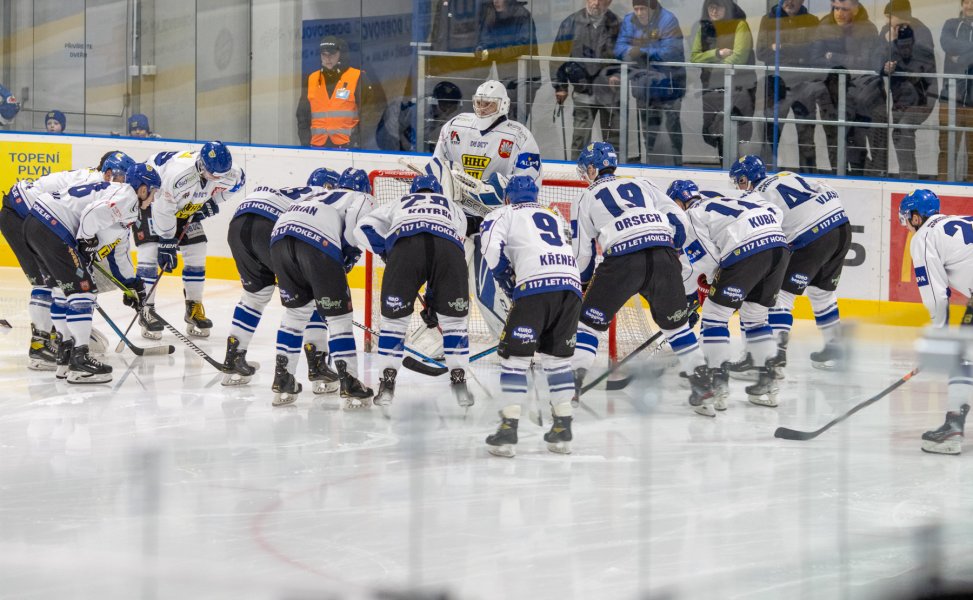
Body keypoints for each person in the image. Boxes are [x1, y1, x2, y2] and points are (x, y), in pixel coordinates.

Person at [570, 142, 712, 415]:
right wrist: (674, 246)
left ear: (592, 168)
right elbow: (677, 217)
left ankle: (571, 386)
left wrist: (584, 284)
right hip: (663, 255)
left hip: (623, 259)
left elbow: (582, 253)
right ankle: (703, 384)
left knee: (588, 326)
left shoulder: (585, 198)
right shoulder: (643, 184)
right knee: (678, 327)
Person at [22, 163, 160, 383]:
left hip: (34, 223)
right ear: (143, 189)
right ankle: (80, 361)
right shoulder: (128, 198)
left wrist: (132, 285)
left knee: (61, 291)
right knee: (84, 293)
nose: (154, 199)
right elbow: (91, 214)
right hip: (53, 227)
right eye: (153, 192)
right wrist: (86, 241)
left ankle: (65, 355)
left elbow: (119, 253)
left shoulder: (119, 199)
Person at [426, 80, 542, 338]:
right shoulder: (456, 125)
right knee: (441, 284)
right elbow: (435, 166)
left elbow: (526, 188)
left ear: (503, 105)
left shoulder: (519, 136)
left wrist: (492, 192)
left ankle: (513, 340)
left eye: (488, 104)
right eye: (478, 102)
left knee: (486, 291)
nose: (482, 108)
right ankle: (442, 343)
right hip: (456, 220)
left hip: (493, 225)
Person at [0, 152, 135, 370]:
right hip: (22, 214)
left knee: (57, 281)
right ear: (109, 174)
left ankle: (54, 338)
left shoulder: (100, 183)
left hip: (26, 216)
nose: (125, 184)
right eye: (122, 178)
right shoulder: (97, 183)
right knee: (49, 282)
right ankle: (43, 344)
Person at [481, 176, 582, 457]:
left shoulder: (502, 213)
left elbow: (490, 249)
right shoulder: (554, 214)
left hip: (535, 288)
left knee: (515, 360)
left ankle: (509, 428)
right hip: (571, 289)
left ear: (507, 197)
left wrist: (504, 278)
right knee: (557, 361)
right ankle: (563, 427)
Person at [354, 173, 473, 409]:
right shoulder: (452, 207)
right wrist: (434, 302)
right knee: (454, 323)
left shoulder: (399, 202)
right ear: (438, 192)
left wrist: (388, 251)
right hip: (448, 250)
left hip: (406, 249)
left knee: (393, 324)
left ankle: (387, 384)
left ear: (413, 192)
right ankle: (460, 382)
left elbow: (362, 228)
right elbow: (444, 247)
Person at [726, 156, 851, 379]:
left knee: (781, 296)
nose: (739, 187)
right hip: (841, 226)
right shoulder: (787, 175)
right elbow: (827, 190)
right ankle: (836, 349)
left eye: (741, 181)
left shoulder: (756, 196)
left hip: (813, 236)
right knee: (822, 293)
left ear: (748, 179)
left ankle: (773, 359)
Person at [671, 179, 791, 411]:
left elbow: (706, 261)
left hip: (747, 249)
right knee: (755, 317)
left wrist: (686, 300)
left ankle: (717, 382)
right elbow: (775, 210)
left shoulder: (692, 215)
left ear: (679, 201)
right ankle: (768, 382)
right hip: (779, 246)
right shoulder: (727, 196)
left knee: (714, 316)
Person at [221, 168, 340, 390]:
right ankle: (317, 363)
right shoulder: (325, 197)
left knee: (255, 296)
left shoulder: (291, 191)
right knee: (311, 293)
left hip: (238, 224)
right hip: (269, 226)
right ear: (329, 187)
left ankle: (233, 357)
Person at [267, 167, 375, 407]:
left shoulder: (314, 196)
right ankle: (349, 381)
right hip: (317, 243)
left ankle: (282, 379)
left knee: (295, 314)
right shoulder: (361, 197)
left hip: (279, 239)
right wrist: (350, 250)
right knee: (339, 319)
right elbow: (355, 225)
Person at [134, 141, 245, 339]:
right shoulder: (178, 175)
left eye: (221, 174)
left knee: (197, 249)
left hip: (184, 205)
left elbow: (237, 184)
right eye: (213, 174)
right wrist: (167, 242)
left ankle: (193, 307)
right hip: (154, 201)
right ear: (202, 164)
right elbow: (163, 207)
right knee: (151, 252)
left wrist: (213, 203)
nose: (217, 178)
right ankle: (146, 309)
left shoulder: (231, 172)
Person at [898, 189, 971, 454]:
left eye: (906, 218)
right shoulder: (959, 220)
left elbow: (936, 296)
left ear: (917, 217)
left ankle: (953, 429)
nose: (905, 225)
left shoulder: (924, 237)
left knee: (963, 357)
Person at [813, 0, 883, 176]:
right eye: (836, 8)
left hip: (859, 92)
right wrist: (846, 61)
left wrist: (833, 56)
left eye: (844, 9)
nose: (839, 13)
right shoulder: (824, 27)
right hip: (831, 92)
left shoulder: (867, 29)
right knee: (833, 137)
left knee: (857, 138)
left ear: (856, 9)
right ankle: (838, 176)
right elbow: (815, 59)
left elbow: (865, 61)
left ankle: (859, 175)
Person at [615, 0, 686, 166]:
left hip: (669, 86)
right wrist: (636, 52)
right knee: (649, 132)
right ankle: (651, 166)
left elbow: (671, 51)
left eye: (643, 9)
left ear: (652, 8)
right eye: (636, 9)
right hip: (643, 87)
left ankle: (677, 166)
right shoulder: (629, 20)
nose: (639, 13)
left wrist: (640, 51)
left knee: (672, 131)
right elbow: (619, 49)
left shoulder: (668, 20)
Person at [755, 0, 822, 172]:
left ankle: (809, 177)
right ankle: (766, 175)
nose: (789, 2)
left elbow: (812, 53)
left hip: (803, 84)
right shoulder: (768, 20)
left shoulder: (812, 21)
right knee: (771, 134)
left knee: (806, 135)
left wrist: (781, 48)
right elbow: (762, 52)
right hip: (777, 84)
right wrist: (798, 51)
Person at [550, 0, 622, 158]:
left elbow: (624, 56)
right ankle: (577, 175)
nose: (595, 3)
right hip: (583, 90)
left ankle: (612, 174)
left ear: (608, 2)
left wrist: (618, 75)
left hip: (609, 93)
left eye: (600, 0)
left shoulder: (617, 24)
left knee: (613, 140)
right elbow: (558, 56)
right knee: (580, 139)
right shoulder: (571, 23)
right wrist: (560, 86)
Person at [875, 2, 937, 179]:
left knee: (903, 128)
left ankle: (907, 179)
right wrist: (885, 66)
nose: (887, 21)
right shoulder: (886, 31)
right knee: (899, 133)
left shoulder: (921, 31)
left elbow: (918, 62)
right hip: (901, 95)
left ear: (902, 16)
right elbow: (877, 59)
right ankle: (908, 177)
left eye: (890, 17)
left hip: (923, 95)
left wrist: (892, 45)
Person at [690, 0, 756, 164]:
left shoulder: (740, 25)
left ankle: (737, 170)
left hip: (738, 89)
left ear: (727, 8)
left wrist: (711, 67)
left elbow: (739, 58)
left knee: (736, 132)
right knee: (715, 131)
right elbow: (694, 58)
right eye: (710, 7)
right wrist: (718, 53)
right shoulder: (703, 28)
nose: (713, 10)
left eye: (717, 7)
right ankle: (724, 167)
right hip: (712, 89)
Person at [296, 36, 387, 149]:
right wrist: (306, 142)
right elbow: (302, 115)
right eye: (324, 54)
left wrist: (357, 140)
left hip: (348, 145)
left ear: (341, 55)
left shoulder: (357, 77)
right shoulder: (312, 79)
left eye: (332, 54)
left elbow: (371, 113)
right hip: (317, 145)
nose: (328, 58)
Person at [475, 0, 540, 123]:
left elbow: (523, 46)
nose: (496, 1)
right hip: (505, 74)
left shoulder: (522, 15)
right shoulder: (491, 15)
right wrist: (481, 48)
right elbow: (486, 39)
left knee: (516, 119)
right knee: (505, 118)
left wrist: (493, 53)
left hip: (526, 75)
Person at [375, 81, 463, 153]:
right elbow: (413, 140)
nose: (450, 110)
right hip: (389, 129)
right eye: (447, 105)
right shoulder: (422, 110)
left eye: (453, 107)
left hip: (401, 124)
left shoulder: (436, 108)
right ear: (438, 102)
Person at [939, 0, 973, 181]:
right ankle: (941, 186)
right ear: (961, 5)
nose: (970, 5)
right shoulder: (951, 24)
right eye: (966, 1)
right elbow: (947, 44)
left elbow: (956, 53)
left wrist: (961, 57)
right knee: (946, 149)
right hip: (950, 98)